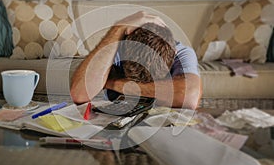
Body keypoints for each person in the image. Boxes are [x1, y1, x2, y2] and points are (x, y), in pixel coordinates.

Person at [70, 11, 202, 110]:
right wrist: (118, 28)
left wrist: (113, 83)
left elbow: (190, 97)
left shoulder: (181, 52)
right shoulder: (117, 49)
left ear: (175, 53)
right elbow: (79, 94)